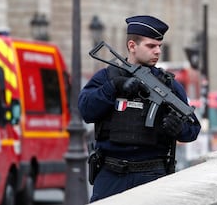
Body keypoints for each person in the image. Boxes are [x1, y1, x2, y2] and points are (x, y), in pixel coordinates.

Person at [78, 15, 201, 202]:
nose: (158, 51)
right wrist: (113, 88)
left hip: (152, 175)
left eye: (159, 46)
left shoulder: (169, 85)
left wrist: (178, 128)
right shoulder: (106, 77)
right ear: (132, 46)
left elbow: (193, 129)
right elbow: (86, 111)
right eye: (151, 46)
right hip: (111, 174)